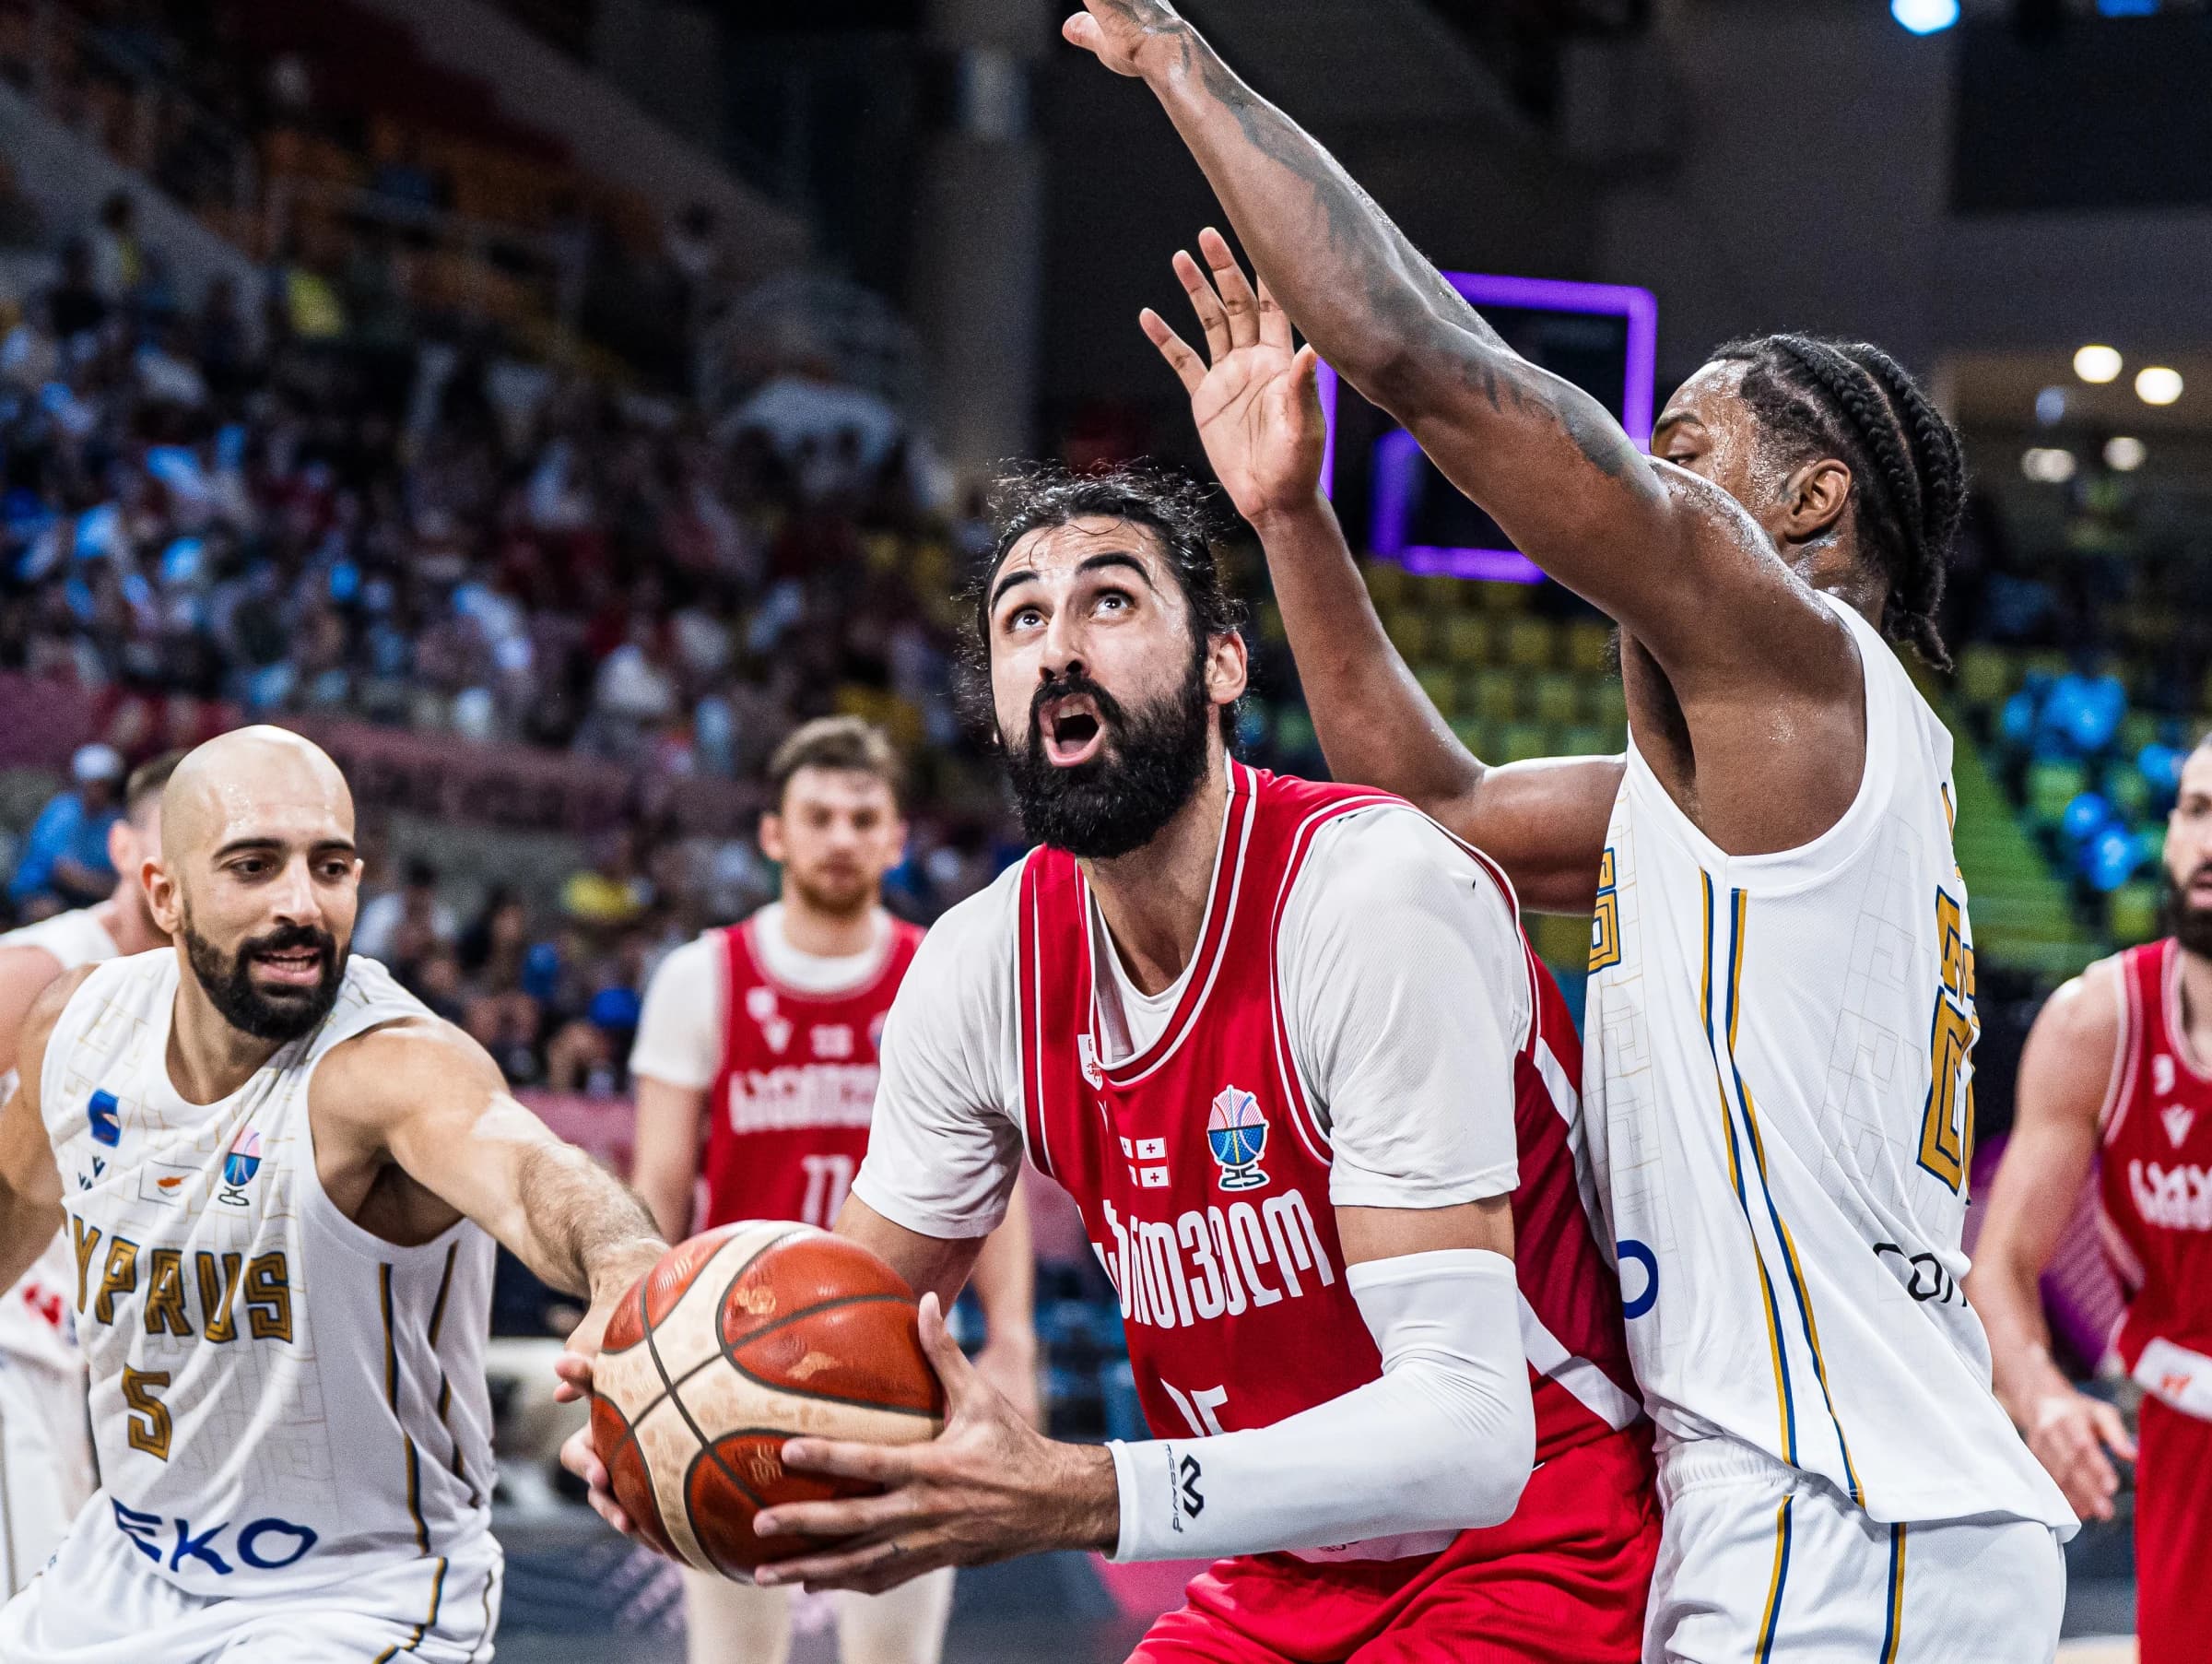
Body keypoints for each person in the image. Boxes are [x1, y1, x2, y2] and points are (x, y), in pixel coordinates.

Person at [1055, 5, 2077, 1656]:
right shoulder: (1743, 797)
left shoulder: (1808, 669)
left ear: (1812, 503)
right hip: (1796, 1502)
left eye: (1683, 448)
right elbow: (1428, 814)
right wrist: (1293, 515)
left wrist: (1184, 59)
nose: (1642, 473)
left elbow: (1415, 356)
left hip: (1842, 1510)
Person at [565, 467, 1657, 1660]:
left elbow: (1471, 1435)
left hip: (1538, 1535)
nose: (1060, 647)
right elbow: (835, 1327)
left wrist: (1085, 1489)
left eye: (1112, 600)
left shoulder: (1373, 896)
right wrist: (662, 1410)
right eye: (1023, 619)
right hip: (1286, 1565)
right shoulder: (981, 965)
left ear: (1223, 663)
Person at [0, 726, 668, 1661]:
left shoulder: (391, 1064)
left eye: (331, 867)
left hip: (353, 1598)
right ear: (164, 891)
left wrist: (626, 1262)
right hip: (128, 1571)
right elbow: (15, 1199)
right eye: (254, 865)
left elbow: (531, 1171)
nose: (301, 903)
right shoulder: (78, 1027)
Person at [628, 714, 1041, 1664]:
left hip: (902, 1366)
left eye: (863, 818)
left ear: (897, 839)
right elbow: (658, 1185)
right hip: (729, 1363)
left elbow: (996, 1183)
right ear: (774, 833)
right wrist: (631, 1347)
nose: (841, 837)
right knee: (733, 1657)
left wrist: (1015, 1339)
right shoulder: (701, 977)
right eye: (818, 816)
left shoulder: (942, 972)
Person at [1969, 735, 2212, 1662]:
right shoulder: (2097, 1022)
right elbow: (2001, 1261)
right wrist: (2041, 1395)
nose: (2209, 841)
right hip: (2183, 1436)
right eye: (2196, 810)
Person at [0, 751, 177, 1598]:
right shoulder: (42, 966)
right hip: (13, 1341)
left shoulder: (198, 1002)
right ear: (123, 846)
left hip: (90, 1361)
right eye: (170, 837)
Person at [9, 746, 128, 913]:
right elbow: (64, 872)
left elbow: (120, 867)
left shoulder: (114, 818)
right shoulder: (63, 811)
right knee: (48, 910)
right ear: (81, 783)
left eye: (104, 785)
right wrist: (114, 891)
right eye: (93, 784)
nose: (98, 791)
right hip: (42, 891)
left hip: (86, 897)